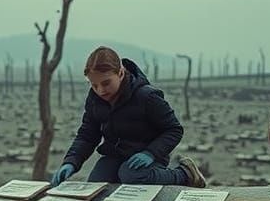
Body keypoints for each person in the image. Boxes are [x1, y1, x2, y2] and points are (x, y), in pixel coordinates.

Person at [50, 46, 206, 188]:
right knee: (97, 185)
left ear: (120, 73)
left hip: (148, 156)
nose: (100, 90)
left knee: (131, 175)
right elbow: (87, 135)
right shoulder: (95, 100)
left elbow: (174, 129)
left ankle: (184, 174)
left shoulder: (146, 96)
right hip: (115, 155)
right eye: (94, 85)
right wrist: (71, 162)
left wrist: (150, 153)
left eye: (106, 83)